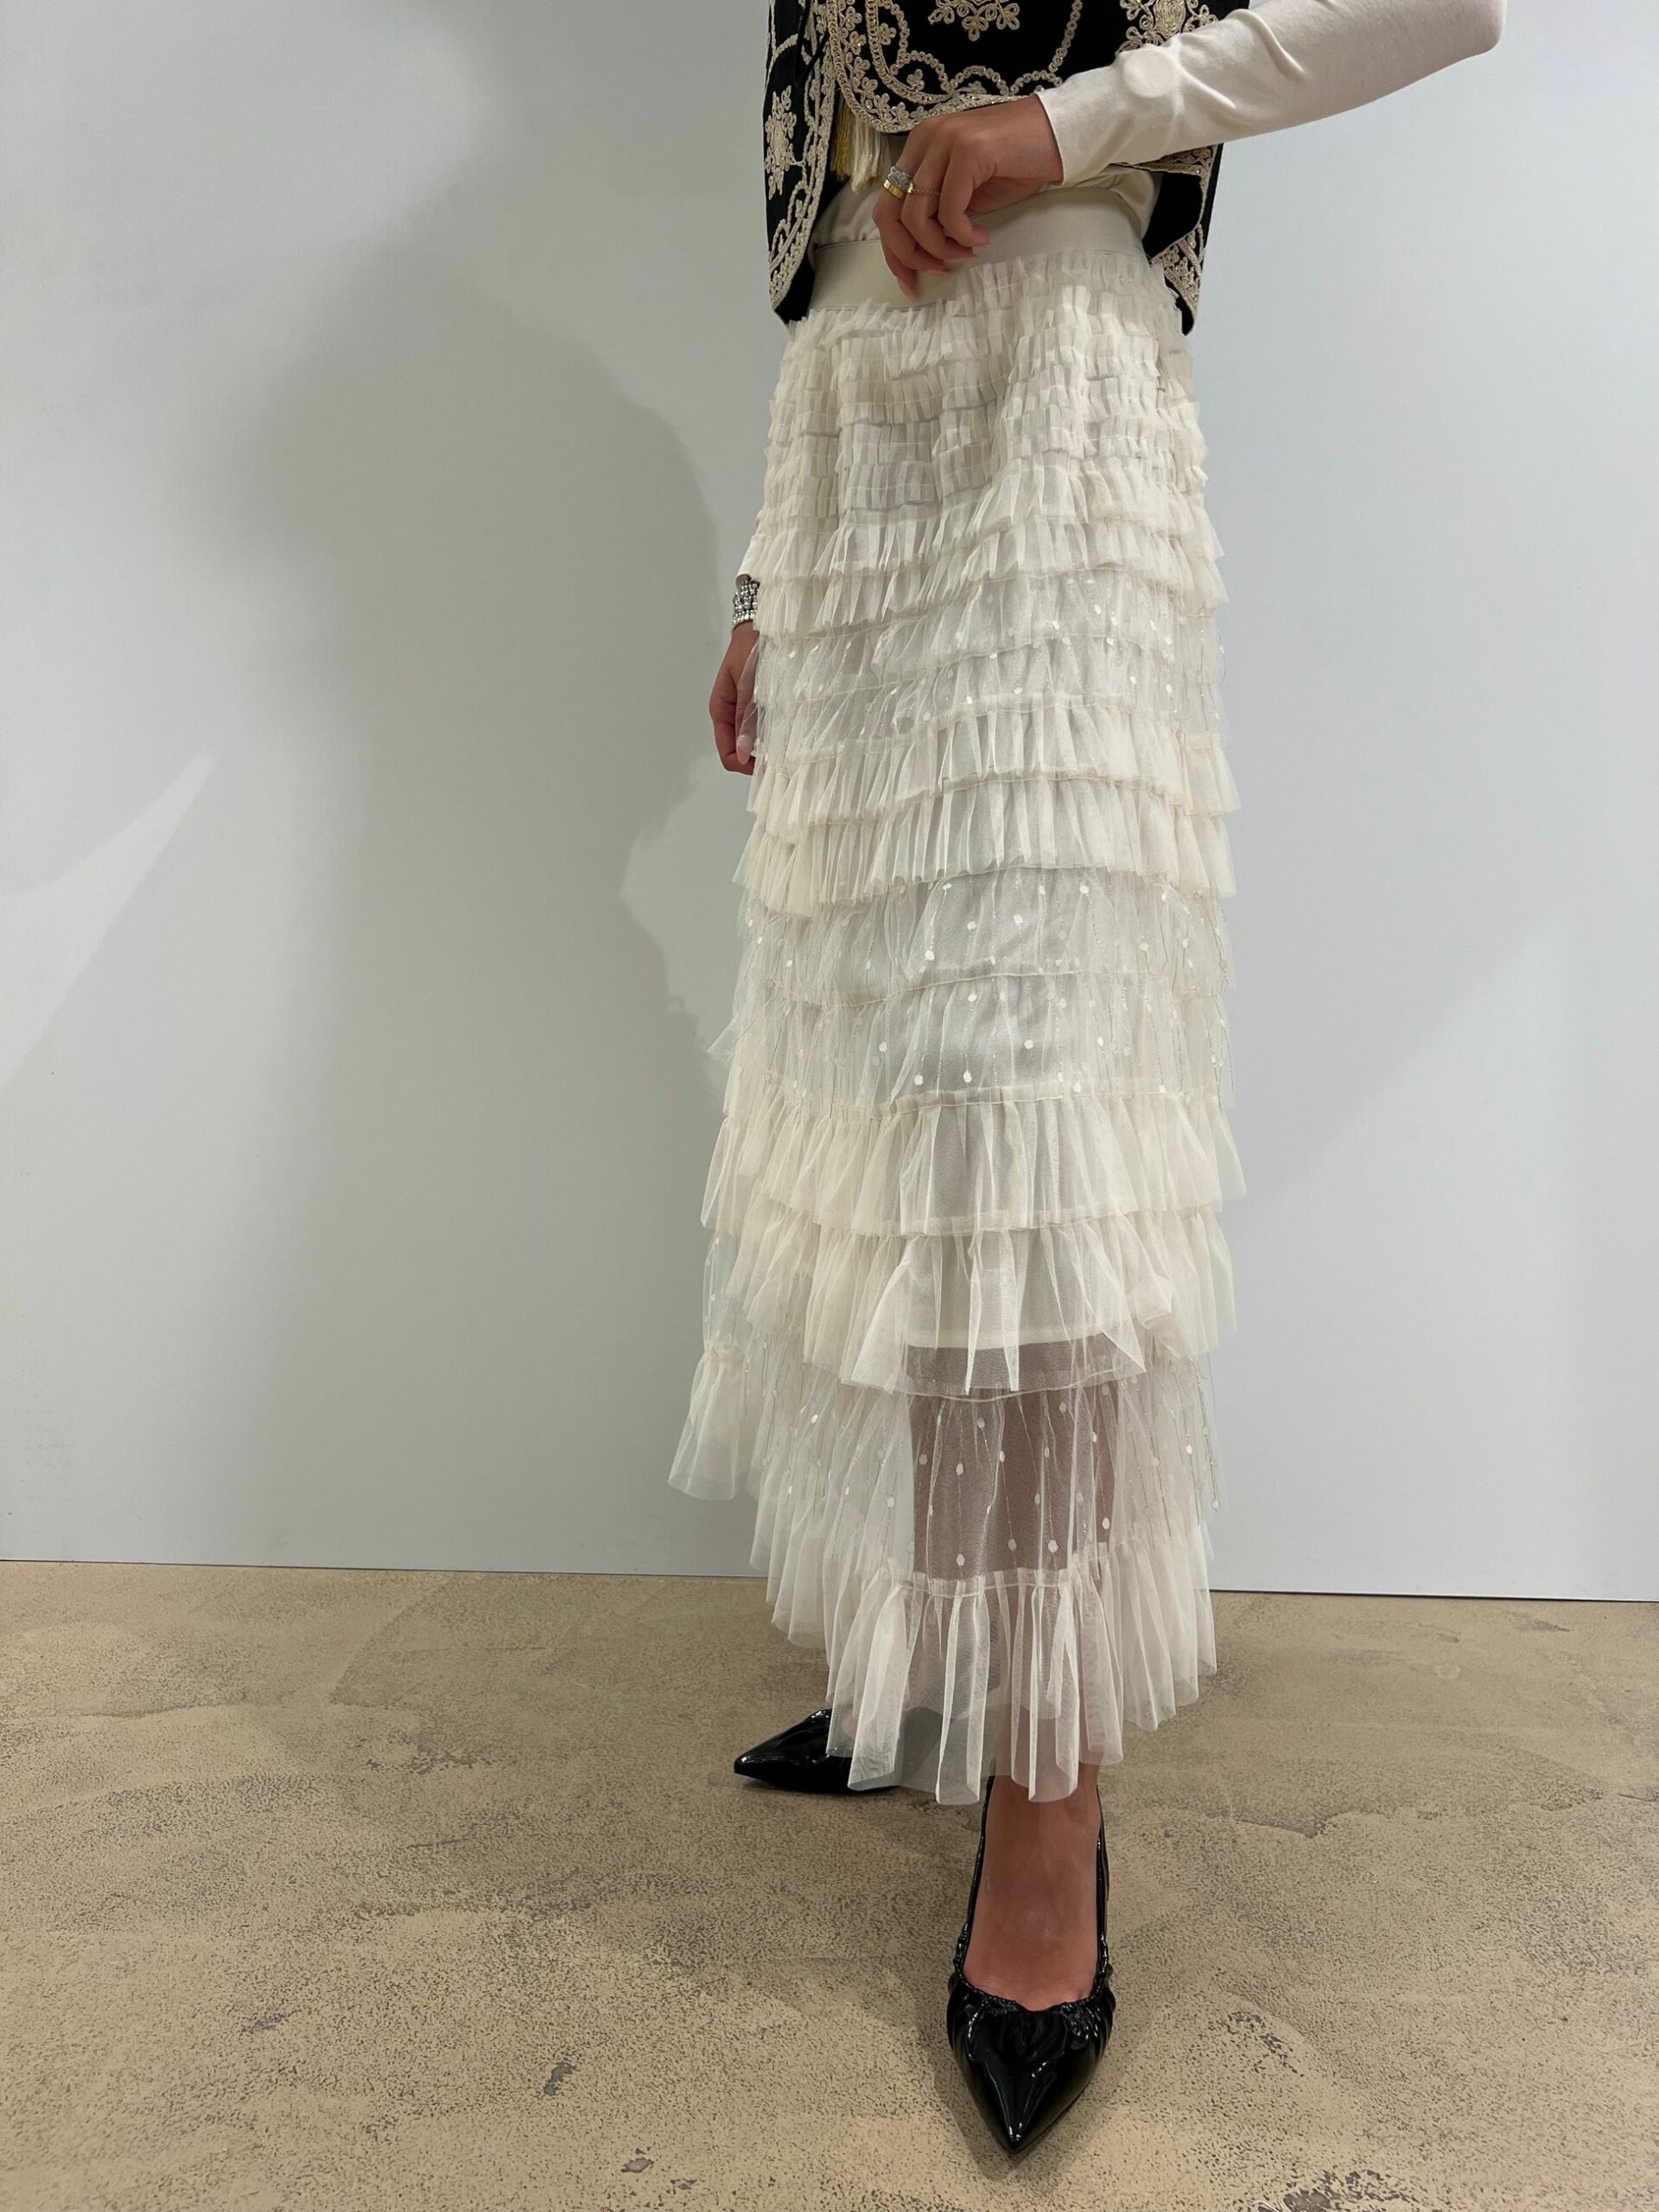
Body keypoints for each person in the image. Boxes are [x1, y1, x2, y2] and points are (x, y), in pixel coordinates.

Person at [671, 0, 1505, 2157]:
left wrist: (1079, 118)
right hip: (858, 439)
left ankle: (1050, 1787)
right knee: (891, 1097)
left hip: (1054, 396)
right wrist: (770, 563)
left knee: (1028, 1096)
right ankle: (940, 1664)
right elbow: (841, 208)